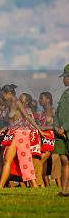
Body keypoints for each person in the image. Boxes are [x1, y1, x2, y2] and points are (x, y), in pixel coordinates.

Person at [0, 85, 50, 188]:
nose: (3, 97)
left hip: (21, 134)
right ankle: (1, 185)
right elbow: (13, 121)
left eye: (3, 94)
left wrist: (39, 130)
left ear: (9, 93)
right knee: (7, 159)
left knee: (24, 160)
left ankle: (33, 184)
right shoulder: (10, 104)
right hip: (13, 134)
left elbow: (27, 117)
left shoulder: (17, 103)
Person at [54, 64, 69, 196]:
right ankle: (64, 191)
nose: (63, 80)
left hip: (66, 130)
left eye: (65, 77)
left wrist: (65, 127)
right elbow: (59, 112)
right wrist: (56, 126)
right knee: (64, 160)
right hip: (60, 132)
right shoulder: (65, 93)